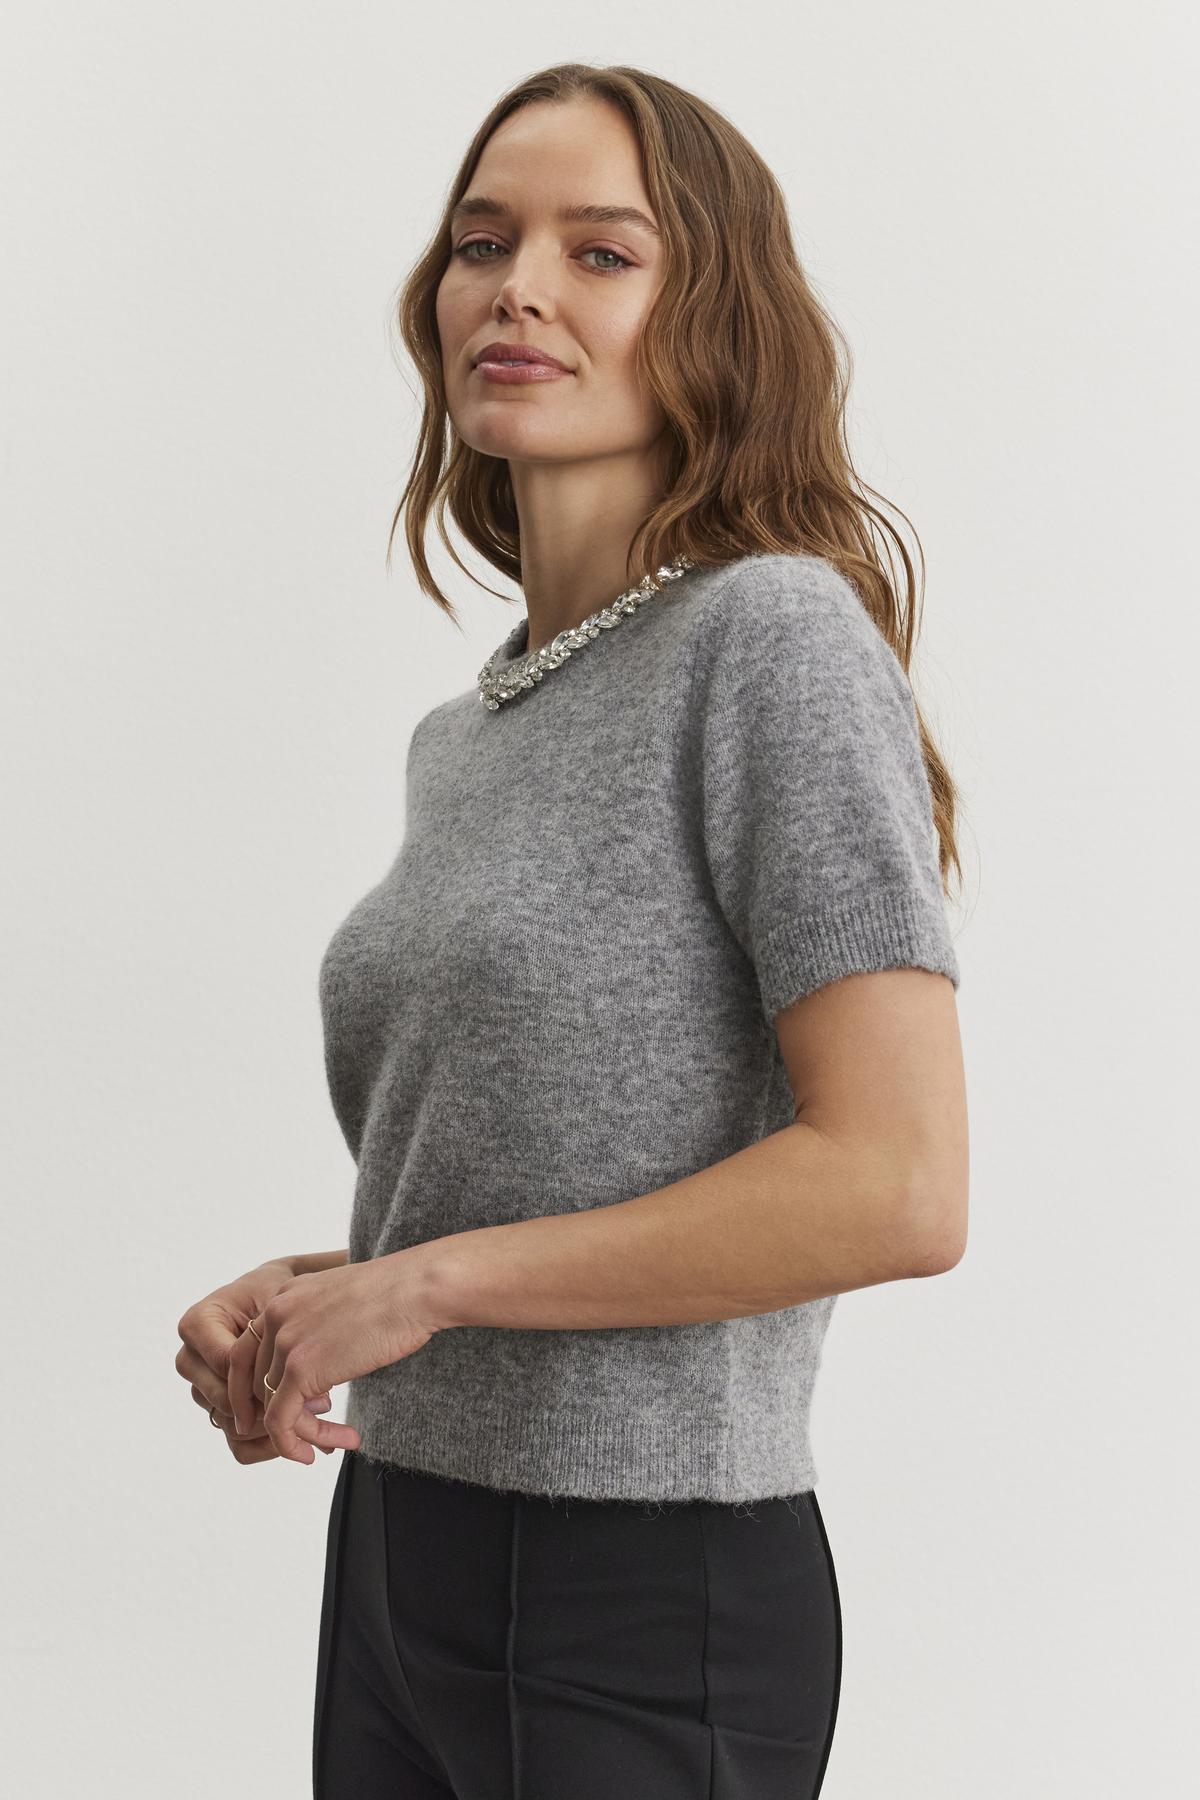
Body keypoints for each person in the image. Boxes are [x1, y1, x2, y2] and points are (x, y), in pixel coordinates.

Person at [175, 61, 969, 1800]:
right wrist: (335, 1287)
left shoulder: (775, 641)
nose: (515, 285)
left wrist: (429, 1284)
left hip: (640, 1583)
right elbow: (574, 1160)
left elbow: (897, 1185)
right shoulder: (472, 732)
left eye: (599, 251)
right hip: (402, 1547)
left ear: (717, 318)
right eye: (482, 242)